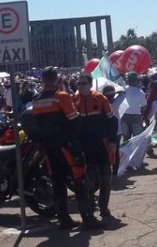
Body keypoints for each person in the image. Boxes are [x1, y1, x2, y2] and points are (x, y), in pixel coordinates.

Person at [32, 67, 102, 230]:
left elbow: (37, 124)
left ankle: (64, 219)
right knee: (80, 178)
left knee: (57, 182)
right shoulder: (61, 97)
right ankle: (87, 217)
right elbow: (74, 120)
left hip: (48, 148)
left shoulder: (36, 100)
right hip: (65, 145)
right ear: (57, 80)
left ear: (42, 80)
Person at [75, 74, 118, 219]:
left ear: (90, 84)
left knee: (106, 176)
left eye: (83, 83)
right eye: (78, 84)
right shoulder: (73, 100)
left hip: (101, 144)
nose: (80, 86)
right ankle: (89, 207)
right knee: (90, 179)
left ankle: (104, 207)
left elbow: (112, 122)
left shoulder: (100, 99)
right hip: (84, 146)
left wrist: (113, 141)